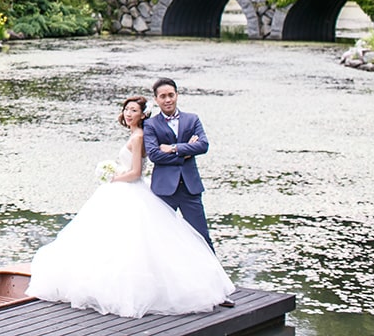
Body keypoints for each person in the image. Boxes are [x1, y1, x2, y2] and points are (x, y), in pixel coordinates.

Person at [25, 95, 235, 318]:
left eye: (133, 110)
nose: (128, 113)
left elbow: (136, 172)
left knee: (128, 241)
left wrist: (113, 177)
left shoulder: (139, 137)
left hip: (129, 188)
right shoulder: (137, 135)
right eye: (126, 109)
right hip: (128, 189)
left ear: (143, 115)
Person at [143, 77, 213, 250]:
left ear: (177, 95)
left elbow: (203, 145)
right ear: (156, 99)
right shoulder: (150, 124)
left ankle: (212, 275)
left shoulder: (192, 119)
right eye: (163, 96)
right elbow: (155, 155)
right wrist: (187, 151)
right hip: (164, 190)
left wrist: (174, 148)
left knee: (202, 237)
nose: (167, 100)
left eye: (171, 95)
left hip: (190, 188)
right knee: (161, 239)